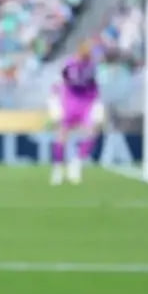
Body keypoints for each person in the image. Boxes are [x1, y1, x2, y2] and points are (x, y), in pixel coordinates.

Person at [49, 40, 104, 186]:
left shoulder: (91, 66)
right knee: (61, 134)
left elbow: (94, 85)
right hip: (69, 102)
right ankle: (58, 168)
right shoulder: (69, 65)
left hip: (87, 102)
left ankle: (77, 163)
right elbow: (59, 82)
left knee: (91, 133)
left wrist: (97, 101)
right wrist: (54, 100)